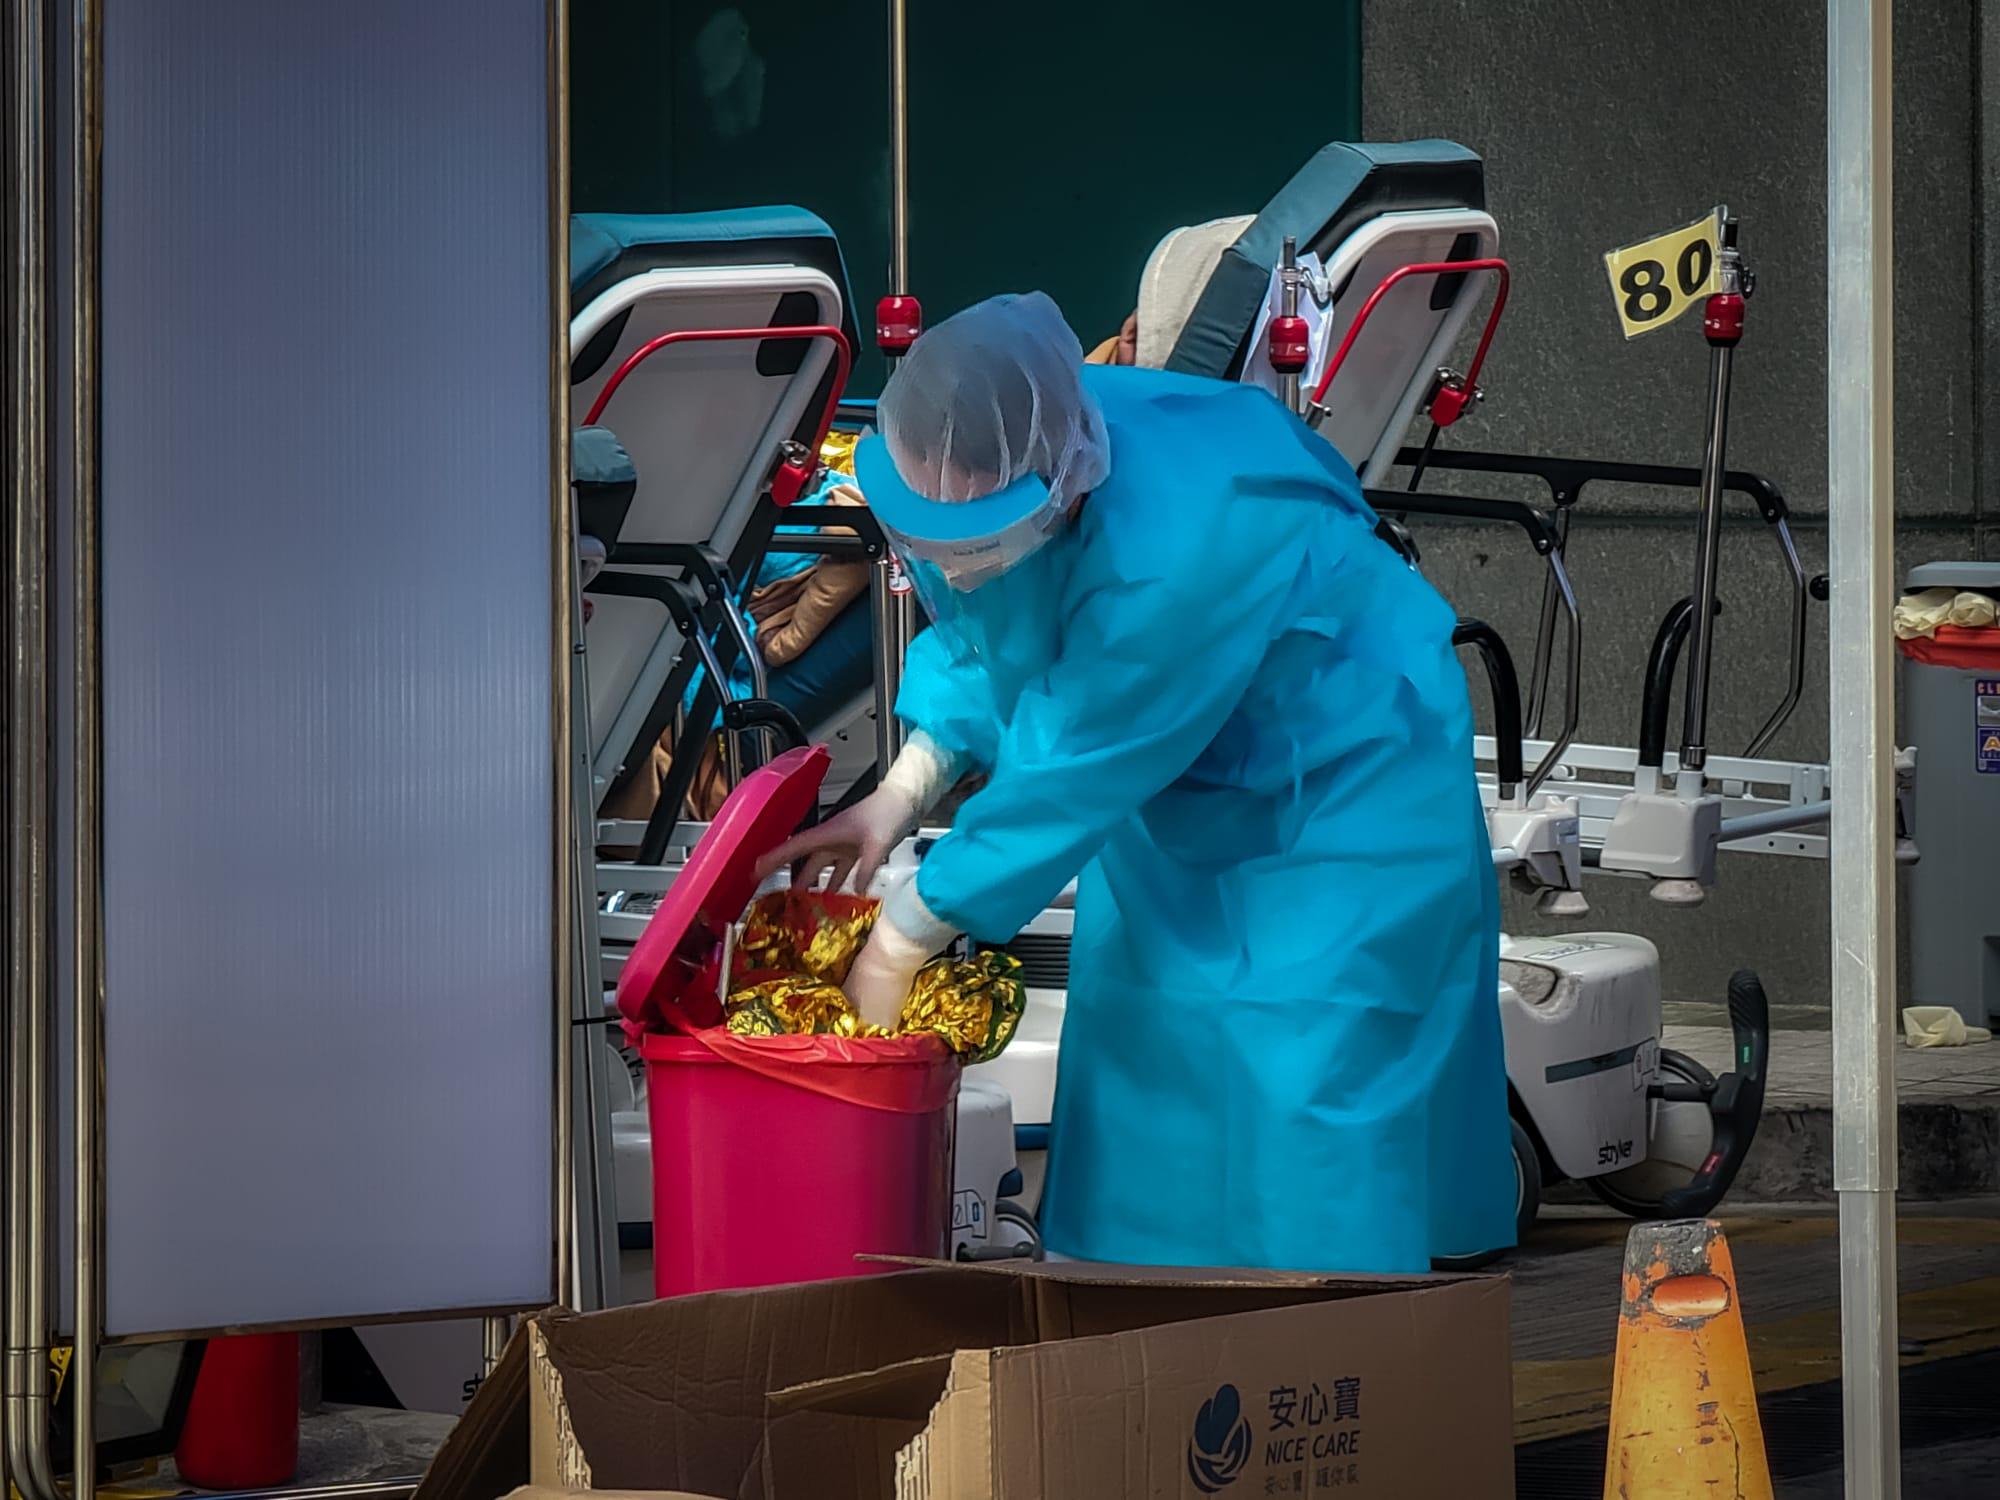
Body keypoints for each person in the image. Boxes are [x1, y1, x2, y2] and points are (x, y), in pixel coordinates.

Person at [760, 291, 1514, 1274]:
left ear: (1063, 486)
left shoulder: (1173, 549)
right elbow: (988, 631)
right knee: (1141, 1053)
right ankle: (1146, 1328)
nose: (953, 562)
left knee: (1309, 1065)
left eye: (978, 539)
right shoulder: (968, 457)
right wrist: (901, 788)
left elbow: (1072, 764)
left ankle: (1335, 1347)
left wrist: (901, 937)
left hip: (1342, 771)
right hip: (1176, 766)